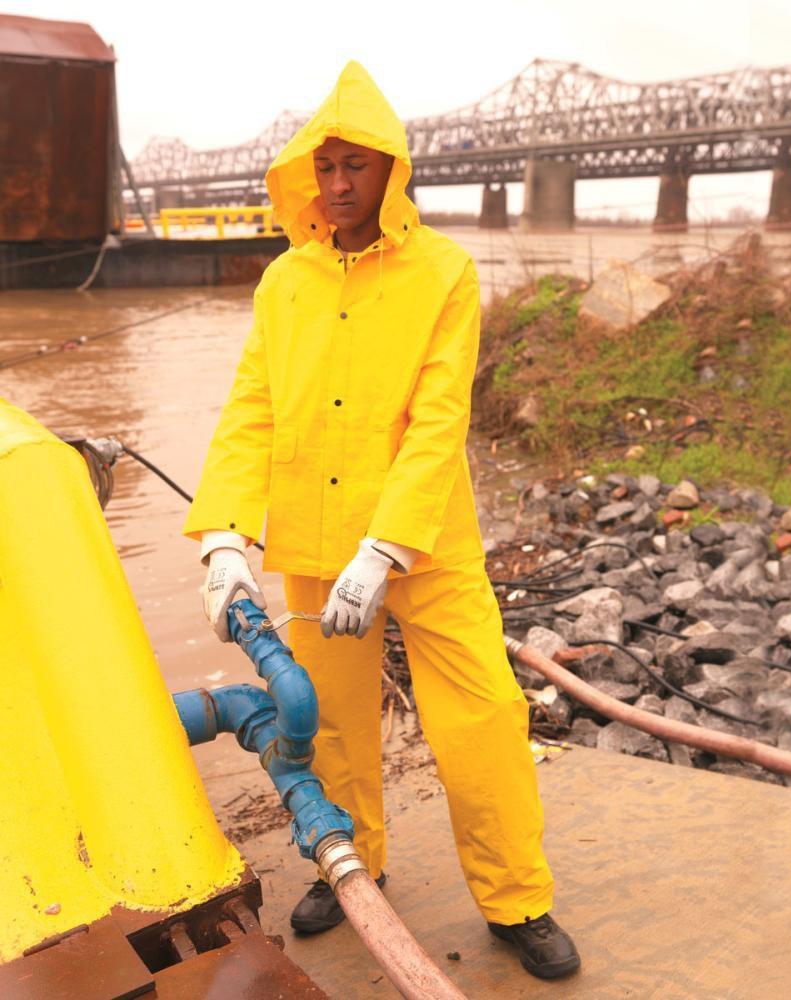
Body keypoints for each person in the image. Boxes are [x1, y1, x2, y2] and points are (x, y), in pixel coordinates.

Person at [183, 60, 580, 981]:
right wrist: (224, 539)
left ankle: (517, 900)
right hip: (317, 550)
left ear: (391, 172)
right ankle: (345, 858)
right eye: (323, 168)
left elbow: (440, 421)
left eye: (355, 166)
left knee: (481, 719)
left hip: (426, 549)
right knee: (326, 725)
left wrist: (385, 547)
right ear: (305, 175)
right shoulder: (283, 283)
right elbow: (253, 410)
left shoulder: (443, 273)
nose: (336, 185)